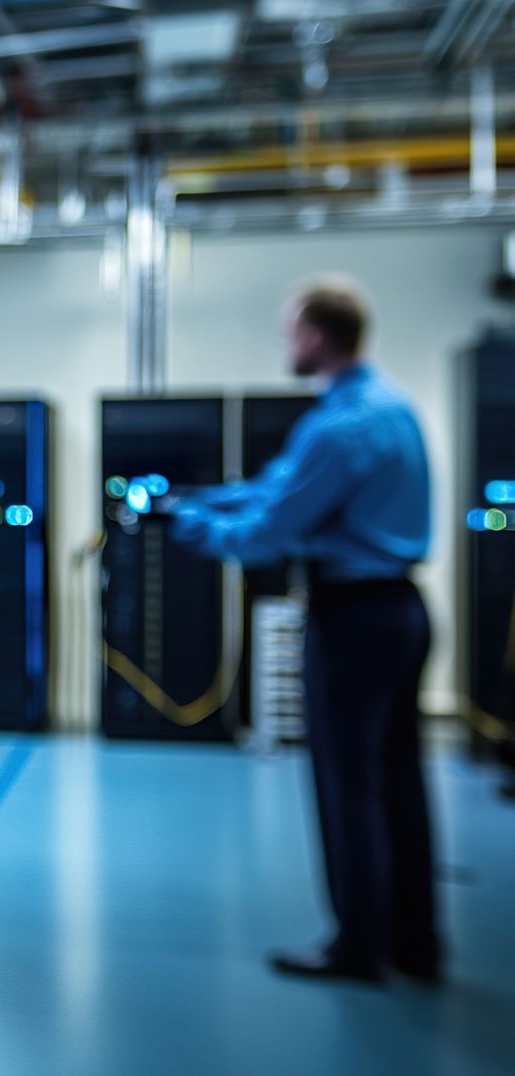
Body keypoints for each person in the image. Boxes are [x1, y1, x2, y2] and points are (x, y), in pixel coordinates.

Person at [170, 278, 439, 986]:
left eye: (292, 330)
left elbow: (266, 533)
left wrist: (194, 526)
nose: (287, 343)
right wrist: (210, 496)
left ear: (318, 336)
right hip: (403, 611)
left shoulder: (338, 426)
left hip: (354, 619)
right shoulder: (388, 407)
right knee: (400, 781)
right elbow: (282, 486)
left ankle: (356, 949)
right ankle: (417, 944)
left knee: (346, 787)